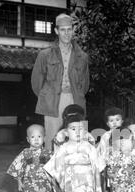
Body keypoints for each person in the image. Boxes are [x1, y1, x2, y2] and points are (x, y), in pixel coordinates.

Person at [31, 13, 90, 150]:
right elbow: (36, 82)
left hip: (75, 100)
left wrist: (77, 96)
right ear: (56, 31)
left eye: (69, 29)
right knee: (53, 140)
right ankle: (52, 170)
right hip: (52, 101)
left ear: (73, 31)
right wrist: (47, 96)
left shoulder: (82, 56)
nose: (66, 33)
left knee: (77, 140)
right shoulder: (45, 55)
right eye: (63, 30)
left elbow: (85, 84)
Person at [43, 114, 103, 192]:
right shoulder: (64, 147)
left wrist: (95, 176)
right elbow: (57, 164)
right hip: (71, 179)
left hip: (87, 180)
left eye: (81, 129)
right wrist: (59, 177)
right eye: (73, 129)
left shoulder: (89, 147)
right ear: (65, 132)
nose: (78, 132)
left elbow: (98, 164)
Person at [7, 124, 53, 192]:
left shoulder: (48, 153)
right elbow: (17, 167)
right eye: (33, 137)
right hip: (30, 183)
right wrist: (19, 182)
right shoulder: (25, 153)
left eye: (39, 137)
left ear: (44, 138)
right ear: (28, 139)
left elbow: (53, 167)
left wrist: (53, 180)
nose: (36, 140)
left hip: (44, 182)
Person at [97, 107, 124, 192]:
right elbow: (102, 150)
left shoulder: (125, 134)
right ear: (107, 124)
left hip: (123, 163)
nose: (115, 123)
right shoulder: (106, 135)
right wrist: (104, 163)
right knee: (110, 184)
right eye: (111, 121)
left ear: (122, 121)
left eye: (117, 120)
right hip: (110, 163)